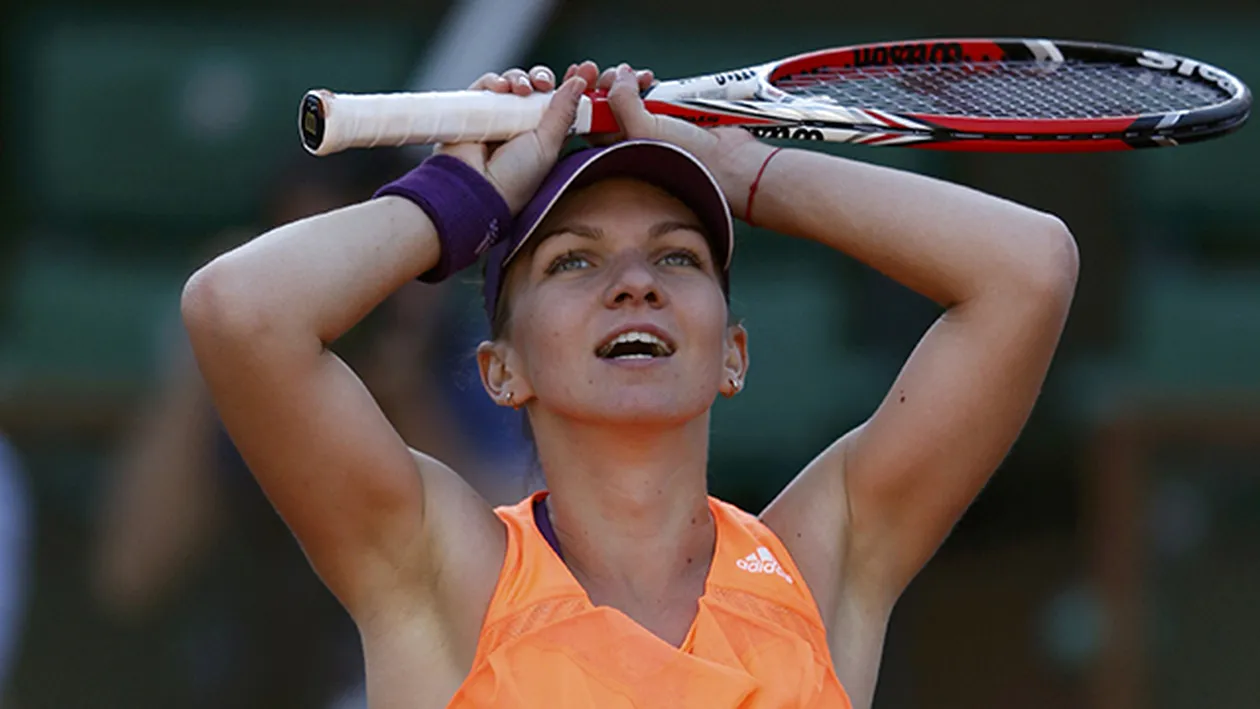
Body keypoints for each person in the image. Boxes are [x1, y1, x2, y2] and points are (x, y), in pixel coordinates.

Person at [181, 60, 1078, 709]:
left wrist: (744, 171)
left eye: (678, 254)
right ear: (503, 369)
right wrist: (459, 194)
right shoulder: (438, 570)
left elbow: (1031, 268)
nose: (635, 282)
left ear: (733, 353)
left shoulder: (819, 564)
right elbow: (238, 310)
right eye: (574, 261)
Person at [96, 151, 528, 709]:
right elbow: (130, 574)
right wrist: (208, 357)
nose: (348, 307)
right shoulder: (252, 371)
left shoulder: (481, 363)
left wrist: (405, 393)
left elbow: (524, 582)